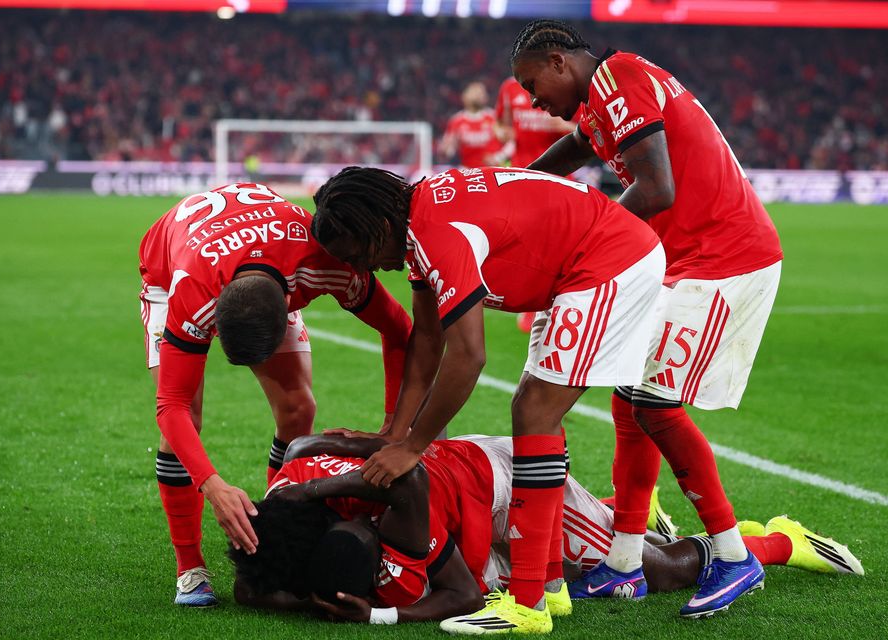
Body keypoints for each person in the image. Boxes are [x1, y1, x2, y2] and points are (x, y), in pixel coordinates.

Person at [310, 164, 667, 633]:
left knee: (535, 410)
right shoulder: (416, 219)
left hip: (609, 260)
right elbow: (427, 338)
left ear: (379, 227)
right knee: (534, 410)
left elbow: (468, 356)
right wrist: (394, 434)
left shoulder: (436, 234)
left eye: (360, 254)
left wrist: (414, 447)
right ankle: (549, 588)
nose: (363, 269)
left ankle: (528, 605)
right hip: (579, 267)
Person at [508, 20, 785, 618]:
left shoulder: (620, 77)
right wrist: (521, 188)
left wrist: (583, 244)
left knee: (654, 404)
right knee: (628, 399)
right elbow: (577, 148)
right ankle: (624, 564)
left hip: (726, 258)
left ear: (559, 61)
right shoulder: (608, 92)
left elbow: (656, 188)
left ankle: (736, 555)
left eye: (534, 85)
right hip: (686, 261)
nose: (534, 101)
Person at [229, 433, 864, 627]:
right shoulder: (286, 502)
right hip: (461, 524)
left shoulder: (379, 513)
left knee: (646, 571)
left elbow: (461, 595)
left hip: (503, 482)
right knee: (597, 558)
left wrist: (376, 617)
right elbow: (253, 584)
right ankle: (622, 516)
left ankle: (775, 542)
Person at [138, 182, 412, 606]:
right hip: (169, 268)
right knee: (185, 419)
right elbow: (169, 406)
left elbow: (399, 330)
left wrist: (394, 425)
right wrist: (212, 485)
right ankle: (189, 568)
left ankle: (273, 531)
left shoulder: (328, 263)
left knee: (298, 407)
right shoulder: (191, 292)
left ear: (290, 306)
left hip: (267, 257)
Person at [494, 76, 577, 333]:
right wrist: (505, 135)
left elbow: (584, 129)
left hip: (559, 175)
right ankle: (531, 306)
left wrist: (561, 126)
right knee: (527, 243)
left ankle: (560, 305)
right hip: (522, 174)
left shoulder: (565, 86)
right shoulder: (508, 88)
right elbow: (499, 125)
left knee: (557, 246)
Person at [440, 82, 505, 169]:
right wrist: (447, 150)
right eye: (475, 92)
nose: (479, 95)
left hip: (491, 170)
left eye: (481, 93)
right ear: (465, 96)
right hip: (468, 171)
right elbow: (449, 148)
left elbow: (510, 142)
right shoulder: (457, 121)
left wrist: (498, 157)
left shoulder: (493, 117)